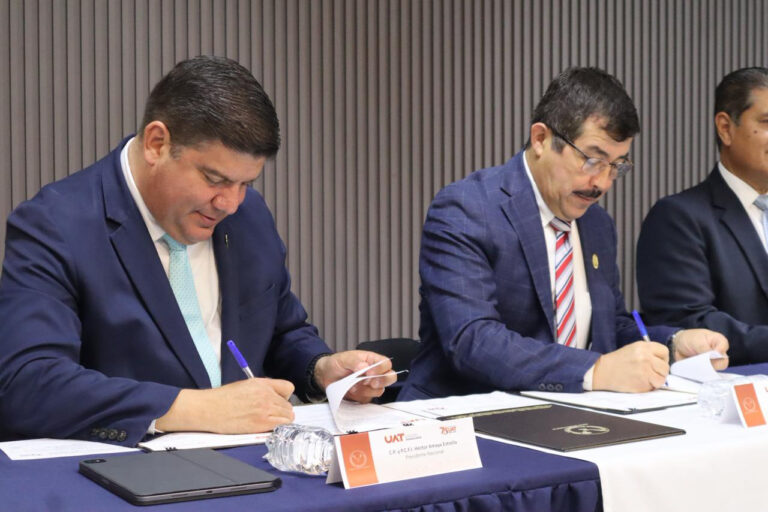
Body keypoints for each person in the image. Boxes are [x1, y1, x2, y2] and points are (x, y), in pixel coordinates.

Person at [0, 56, 395, 446]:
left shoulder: (248, 216)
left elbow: (281, 331)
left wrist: (321, 369)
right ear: (157, 144)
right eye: (214, 179)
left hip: (251, 464)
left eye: (245, 184)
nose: (230, 204)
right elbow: (28, 383)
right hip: (125, 470)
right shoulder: (57, 225)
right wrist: (194, 408)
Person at [399, 67, 728, 401]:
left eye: (616, 166)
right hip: (464, 415)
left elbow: (609, 328)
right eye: (592, 160)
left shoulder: (597, 224)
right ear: (541, 139)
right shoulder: (468, 208)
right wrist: (595, 370)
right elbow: (472, 340)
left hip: (572, 414)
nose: (602, 183)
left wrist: (672, 345)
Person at [637, 67, 768, 366]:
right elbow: (689, 323)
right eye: (767, 122)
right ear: (725, 128)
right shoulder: (677, 218)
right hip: (731, 391)